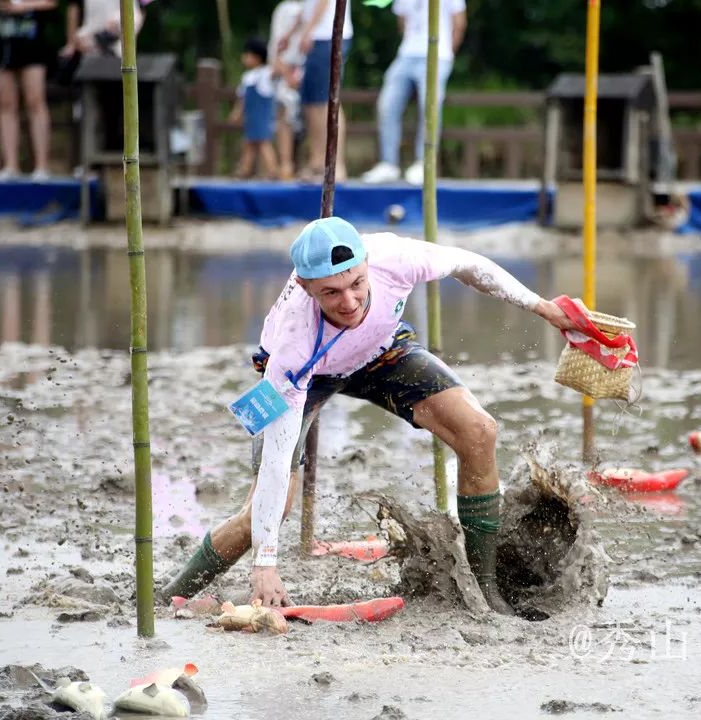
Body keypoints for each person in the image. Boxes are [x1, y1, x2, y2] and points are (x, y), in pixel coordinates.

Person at [159, 216, 577, 614]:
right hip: (313, 374)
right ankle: (171, 598)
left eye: (357, 283)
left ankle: (485, 591)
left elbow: (468, 265)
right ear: (306, 289)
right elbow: (274, 464)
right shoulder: (292, 347)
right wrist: (265, 563)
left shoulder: (393, 257)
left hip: (380, 353)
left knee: (479, 431)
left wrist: (542, 308)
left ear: (366, 265)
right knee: (267, 512)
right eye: (331, 293)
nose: (350, 301)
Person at [361, 0, 466, 186]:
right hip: (407, 54)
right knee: (387, 105)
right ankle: (388, 163)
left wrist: (447, 53)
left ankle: (424, 163)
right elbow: (402, 21)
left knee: (430, 106)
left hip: (438, 54)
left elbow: (459, 22)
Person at [0, 0, 57, 181]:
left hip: (31, 41)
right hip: (0, 41)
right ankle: (10, 165)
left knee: (35, 101)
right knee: (5, 103)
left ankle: (42, 166)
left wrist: (25, 6)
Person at [278, 0, 352, 181]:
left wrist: (307, 31)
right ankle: (318, 161)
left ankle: (336, 166)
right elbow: (308, 7)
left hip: (328, 36)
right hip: (316, 37)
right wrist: (291, 33)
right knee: (311, 104)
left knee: (327, 102)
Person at [228, 38, 279, 179]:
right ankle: (245, 170)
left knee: (263, 143)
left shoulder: (266, 74)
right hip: (251, 117)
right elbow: (242, 99)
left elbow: (276, 71)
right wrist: (237, 113)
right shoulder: (247, 77)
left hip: (262, 116)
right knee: (249, 143)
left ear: (256, 57)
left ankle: (272, 171)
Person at [269, 0, 304, 180]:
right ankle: (285, 164)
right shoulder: (284, 9)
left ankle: (303, 165)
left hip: (306, 68)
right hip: (286, 72)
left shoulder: (313, 8)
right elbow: (277, 44)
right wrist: (285, 72)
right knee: (284, 114)